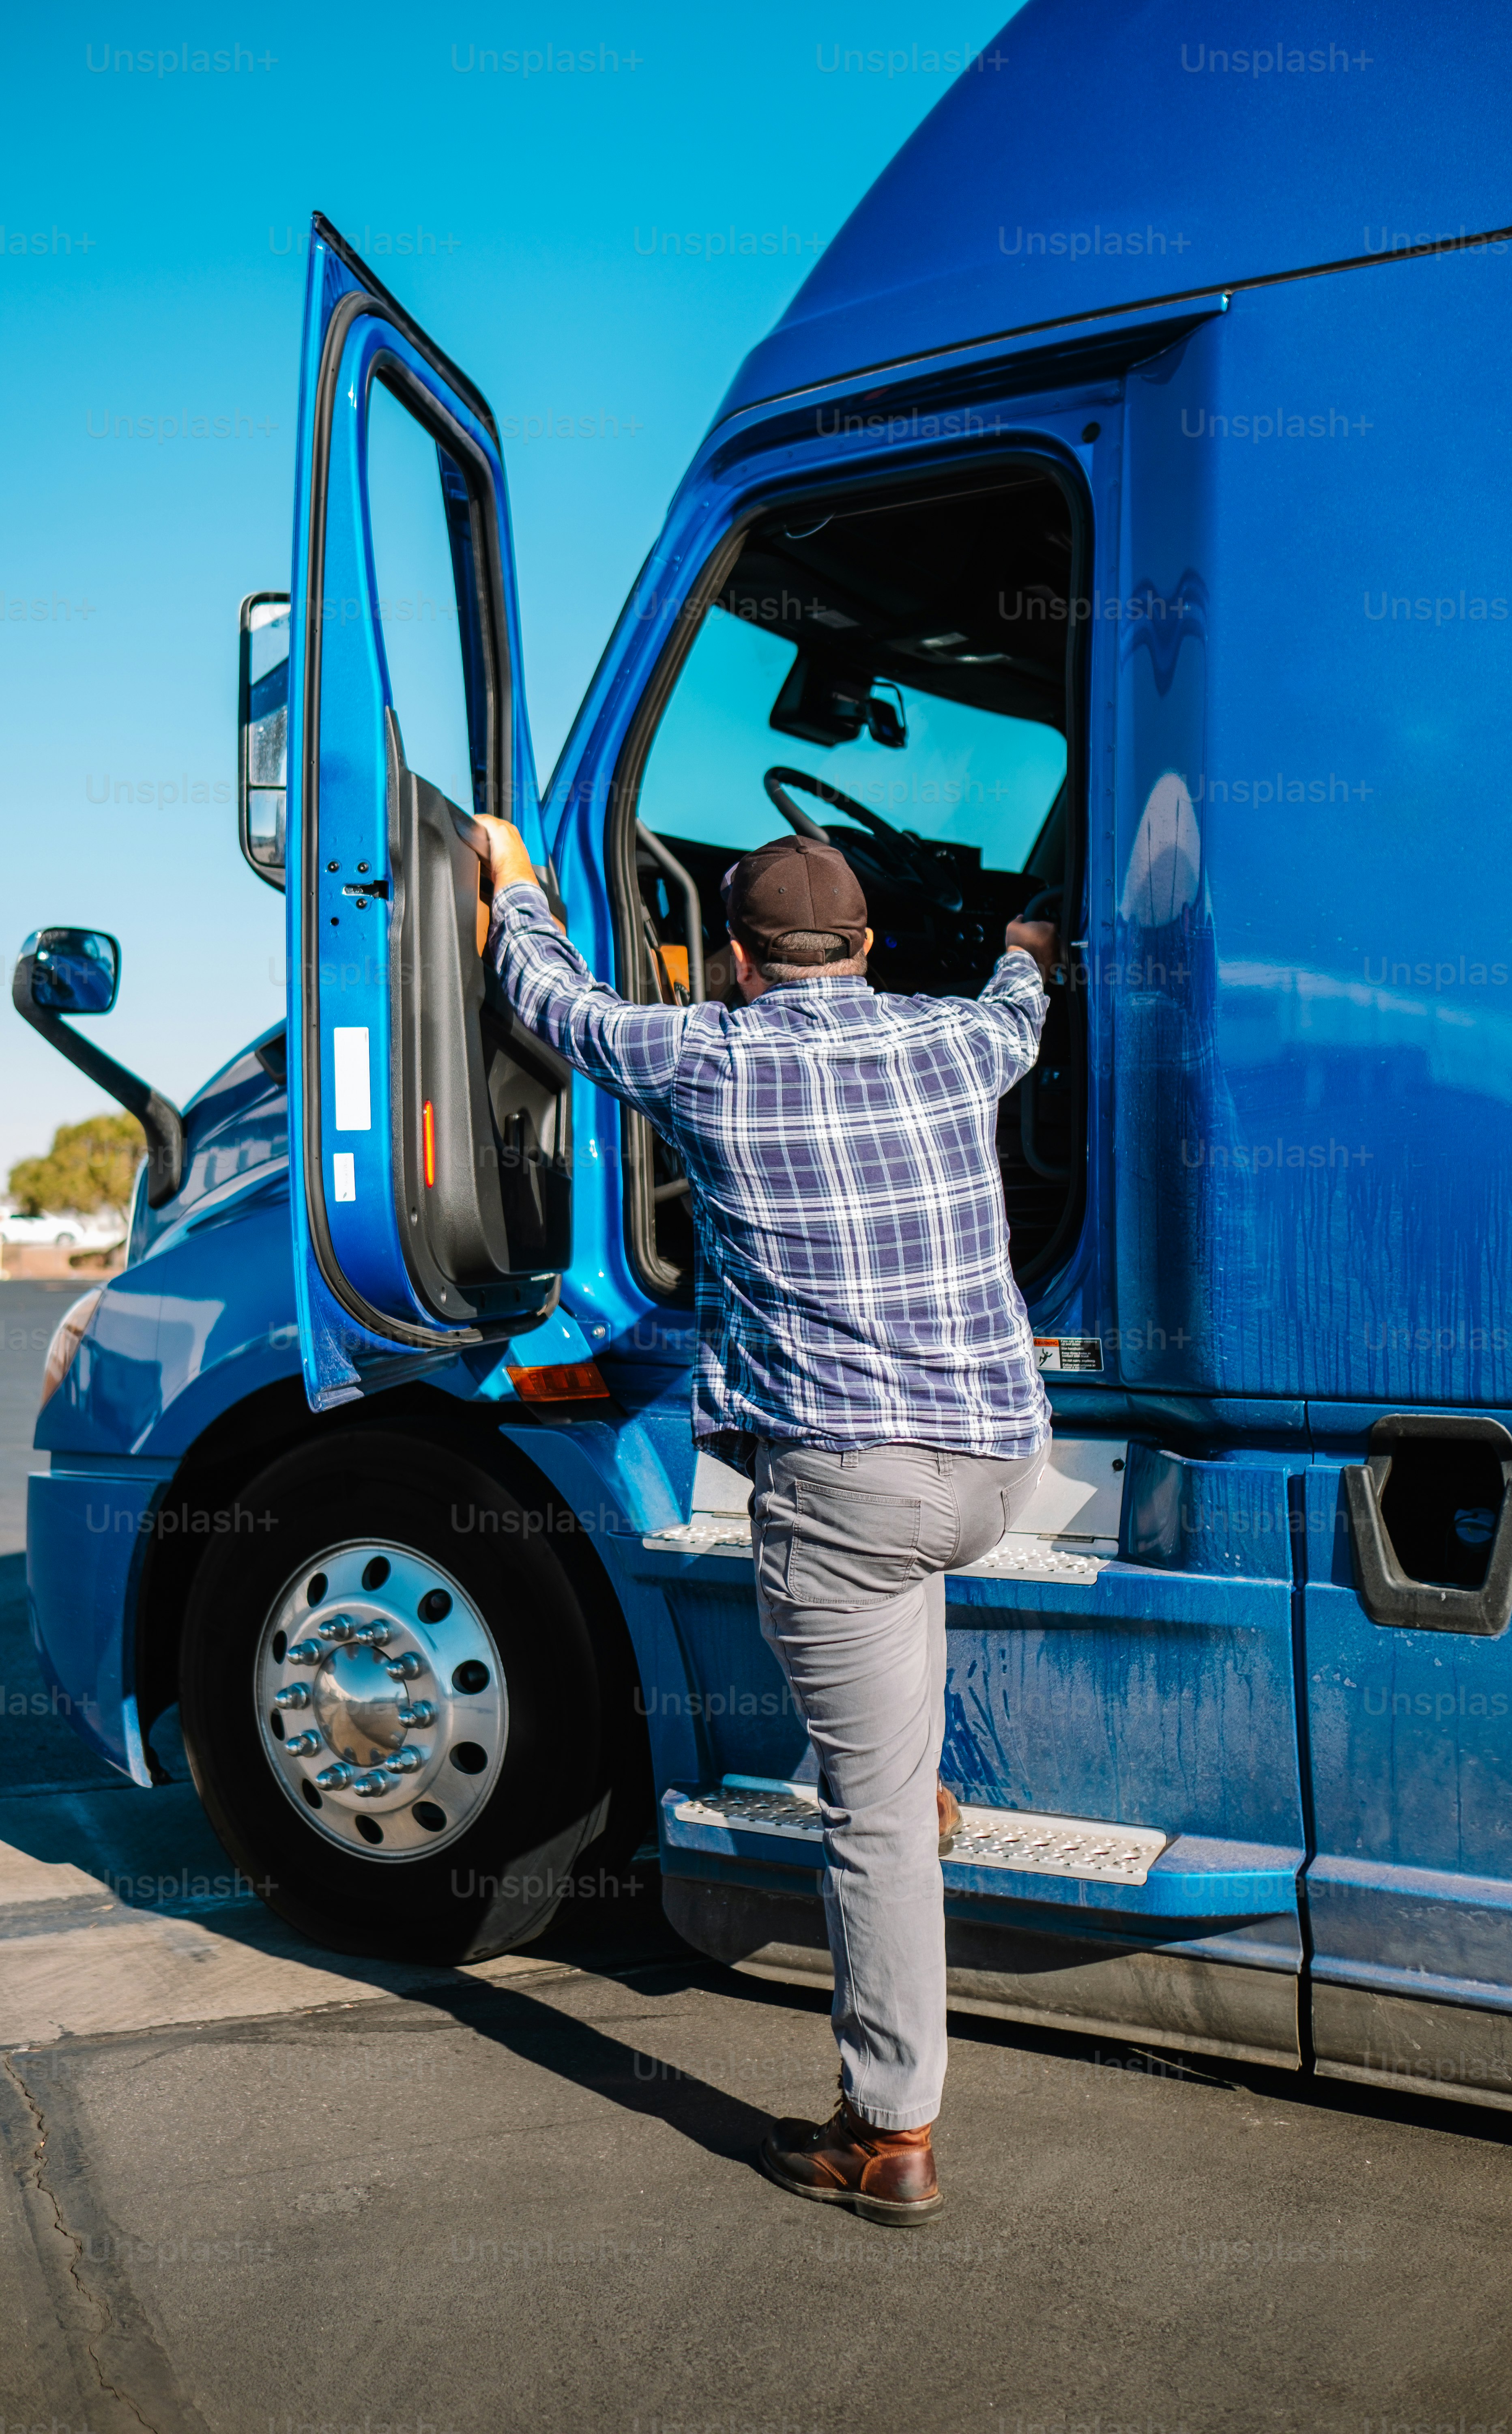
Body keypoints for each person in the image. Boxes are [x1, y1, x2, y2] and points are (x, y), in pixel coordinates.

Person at [477, 813, 1056, 2226]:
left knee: (869, 1827)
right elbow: (1020, 1001)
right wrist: (1029, 941)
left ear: (737, 959)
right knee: (899, 1611)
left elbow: (554, 1005)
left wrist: (515, 883)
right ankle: (910, 1778)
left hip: (853, 1488)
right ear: (867, 946)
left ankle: (889, 2134)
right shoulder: (957, 1041)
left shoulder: (707, 1055)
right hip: (998, 1469)